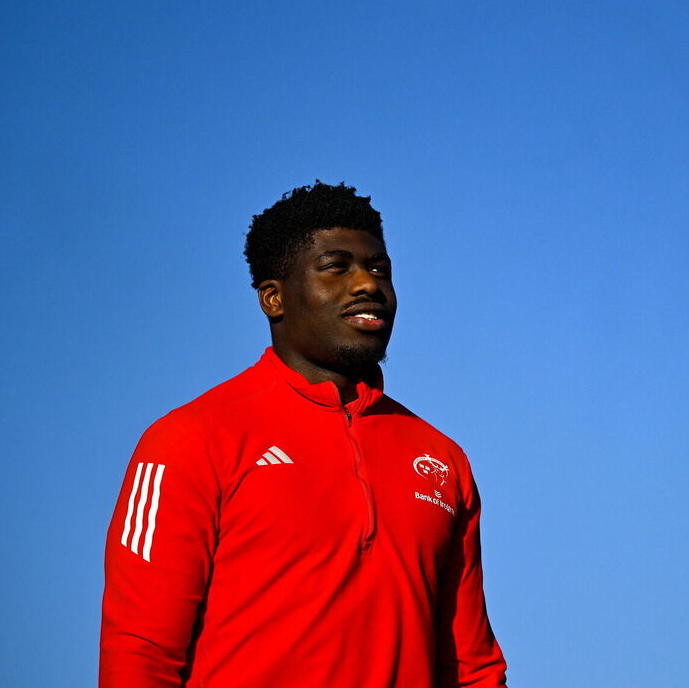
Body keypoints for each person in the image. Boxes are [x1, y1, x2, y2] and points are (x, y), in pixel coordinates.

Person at [100, 181, 507, 687]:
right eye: (336, 268)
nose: (367, 285)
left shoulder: (442, 460)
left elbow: (474, 668)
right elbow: (140, 653)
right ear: (274, 298)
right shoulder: (188, 439)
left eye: (379, 269)